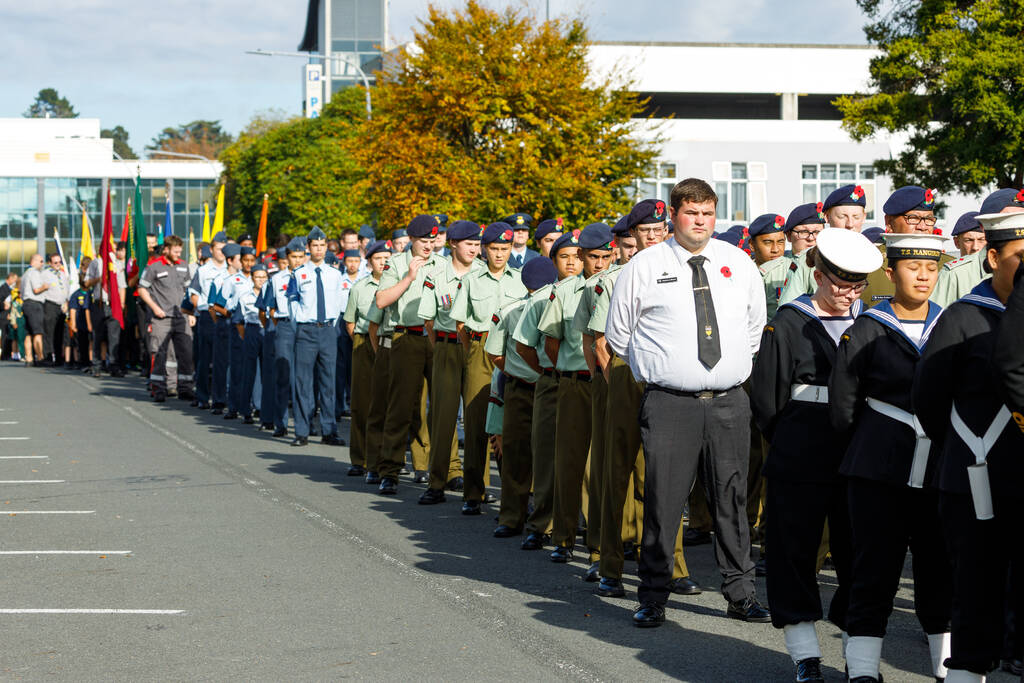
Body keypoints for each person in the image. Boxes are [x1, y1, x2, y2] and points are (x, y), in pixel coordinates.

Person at [606, 177, 770, 628]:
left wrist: (724, 370)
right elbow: (619, 335)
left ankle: (740, 594)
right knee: (663, 501)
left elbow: (754, 327)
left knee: (731, 500)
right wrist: (659, 372)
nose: (700, 222)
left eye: (708, 214)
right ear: (673, 215)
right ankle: (654, 596)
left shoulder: (738, 263)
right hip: (670, 404)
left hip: (729, 403)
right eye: (691, 213)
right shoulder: (643, 266)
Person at [751, 228, 881, 679]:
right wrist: (792, 439)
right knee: (794, 551)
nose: (848, 294)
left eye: (857, 284)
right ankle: (805, 652)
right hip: (801, 450)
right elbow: (767, 400)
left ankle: (858, 653)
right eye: (839, 283)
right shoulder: (788, 321)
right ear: (817, 274)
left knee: (859, 552)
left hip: (858, 451)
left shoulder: (871, 321)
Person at [829, 233, 952, 682]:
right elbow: (843, 405)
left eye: (932, 268)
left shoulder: (951, 323)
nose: (922, 276)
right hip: (878, 466)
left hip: (939, 465)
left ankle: (947, 667)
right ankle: (861, 668)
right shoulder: (865, 327)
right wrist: (868, 448)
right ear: (890, 270)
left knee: (939, 568)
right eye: (912, 267)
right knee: (874, 568)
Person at [913, 210, 1024, 683]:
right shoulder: (962, 317)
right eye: (1020, 256)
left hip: (1020, 477)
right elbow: (928, 399)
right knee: (975, 591)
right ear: (992, 257)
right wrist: (965, 451)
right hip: (974, 475)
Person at [539, 222, 614, 563]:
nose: (599, 264)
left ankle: (598, 544)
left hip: (605, 382)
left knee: (600, 465)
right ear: (581, 255)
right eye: (593, 257)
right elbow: (551, 340)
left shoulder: (618, 284)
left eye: (605, 256)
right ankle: (564, 537)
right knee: (568, 462)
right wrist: (570, 369)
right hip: (573, 382)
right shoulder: (565, 291)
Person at [451, 221, 528, 513]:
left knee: (509, 427)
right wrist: (474, 353)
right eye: (494, 248)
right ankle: (473, 493)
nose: (499, 254)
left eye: (505, 249)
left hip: (511, 353)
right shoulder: (471, 279)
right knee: (475, 423)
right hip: (479, 348)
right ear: (484, 249)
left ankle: (512, 496)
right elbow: (460, 323)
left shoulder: (520, 279)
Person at [513, 229, 580, 550]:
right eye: (564, 256)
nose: (572, 262)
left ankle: (586, 524)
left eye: (578, 256)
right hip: (553, 381)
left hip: (588, 382)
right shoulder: (543, 297)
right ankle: (542, 523)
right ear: (553, 261)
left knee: (588, 457)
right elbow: (524, 344)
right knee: (546, 455)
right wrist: (546, 370)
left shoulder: (598, 290)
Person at [487, 256, 558, 535]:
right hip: (529, 386)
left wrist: (518, 370)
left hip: (530, 385)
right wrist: (532, 371)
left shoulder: (512, 309)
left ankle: (532, 518)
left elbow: (494, 354)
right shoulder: (511, 310)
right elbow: (495, 353)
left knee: (538, 456)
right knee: (520, 453)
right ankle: (514, 517)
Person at [374, 215, 444, 493]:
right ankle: (389, 469)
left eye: (432, 241)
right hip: (408, 336)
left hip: (436, 338)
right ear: (411, 240)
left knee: (439, 405)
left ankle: (435, 469)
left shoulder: (443, 264)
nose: (428, 247)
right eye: (423, 242)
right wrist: (410, 277)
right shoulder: (396, 263)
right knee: (401, 406)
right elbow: (382, 300)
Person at [417, 220, 484, 504]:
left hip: (477, 348)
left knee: (477, 417)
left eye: (477, 244)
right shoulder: (436, 273)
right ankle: (437, 482)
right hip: (446, 346)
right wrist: (443, 348)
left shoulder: (483, 273)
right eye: (468, 243)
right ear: (453, 244)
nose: (474, 249)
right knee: (443, 417)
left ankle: (476, 488)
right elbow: (429, 321)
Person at [287, 227, 346, 447]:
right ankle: (301, 431)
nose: (319, 249)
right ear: (308, 248)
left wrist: (331, 326)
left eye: (322, 245)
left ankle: (329, 430)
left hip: (329, 330)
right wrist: (301, 323)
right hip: (306, 331)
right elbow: (292, 302)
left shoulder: (335, 274)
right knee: (303, 382)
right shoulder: (300, 273)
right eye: (315, 246)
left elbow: (340, 304)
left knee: (328, 382)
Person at [343, 240, 392, 475]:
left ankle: (387, 458)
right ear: (369, 261)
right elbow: (350, 322)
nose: (383, 262)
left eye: (386, 257)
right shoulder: (359, 287)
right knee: (362, 403)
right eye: (378, 258)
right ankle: (359, 458)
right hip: (364, 343)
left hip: (390, 342)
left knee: (390, 404)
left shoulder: (399, 285)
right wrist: (364, 345)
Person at [931, 188, 1023, 308]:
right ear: (984, 227)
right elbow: (935, 321)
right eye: (1010, 220)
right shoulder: (956, 275)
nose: (1018, 226)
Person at [778, 185, 867, 306]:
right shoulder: (807, 259)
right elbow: (788, 310)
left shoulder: (876, 258)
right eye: (842, 217)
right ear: (827, 217)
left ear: (864, 218)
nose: (850, 224)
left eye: (856, 217)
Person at [137, 235, 194, 402]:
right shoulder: (153, 267)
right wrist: (155, 308)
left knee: (186, 353)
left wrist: (191, 314)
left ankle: (185, 388)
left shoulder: (184, 266)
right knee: (160, 354)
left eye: (180, 251)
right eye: (175, 251)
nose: (178, 254)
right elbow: (142, 289)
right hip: (161, 319)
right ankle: (159, 388)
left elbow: (189, 292)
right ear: (166, 250)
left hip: (182, 317)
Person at [267, 239, 306, 437]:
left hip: (306, 327)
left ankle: (305, 424)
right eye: (293, 257)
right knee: (283, 376)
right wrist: (283, 326)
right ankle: (280, 423)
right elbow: (270, 308)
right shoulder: (276, 279)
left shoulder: (311, 276)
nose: (297, 261)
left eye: (301, 257)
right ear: (287, 258)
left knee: (305, 378)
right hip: (284, 326)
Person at [189, 232, 228, 409]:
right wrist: (201, 311)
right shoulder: (203, 270)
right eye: (219, 249)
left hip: (225, 317)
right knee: (204, 359)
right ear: (211, 250)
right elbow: (194, 295)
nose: (222, 253)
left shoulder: (230, 269)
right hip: (207, 317)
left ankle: (220, 398)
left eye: (224, 249)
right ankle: (202, 396)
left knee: (222, 360)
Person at [237, 263, 267, 422]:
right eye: (257, 277)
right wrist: (246, 336)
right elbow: (238, 320)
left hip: (266, 331)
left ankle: (263, 408)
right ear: (252, 278)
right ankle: (245, 409)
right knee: (249, 371)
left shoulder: (270, 294)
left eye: (264, 277)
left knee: (266, 372)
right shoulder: (245, 296)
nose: (261, 280)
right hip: (252, 331)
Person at [336, 249, 362, 420]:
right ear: (344, 262)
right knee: (340, 367)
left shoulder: (365, 278)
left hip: (359, 321)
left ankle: (356, 406)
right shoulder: (338, 279)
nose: (352, 264)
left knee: (358, 367)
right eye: (349, 261)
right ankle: (338, 407)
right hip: (341, 321)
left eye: (356, 261)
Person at [41, 252, 70, 365]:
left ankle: (58, 357)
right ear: (50, 263)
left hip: (61, 306)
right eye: (55, 262)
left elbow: (66, 289)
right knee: (49, 331)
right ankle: (48, 356)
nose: (58, 264)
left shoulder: (62, 274)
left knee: (60, 332)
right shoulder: (45, 274)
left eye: (59, 262)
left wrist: (66, 303)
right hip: (50, 304)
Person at [20, 255, 48, 366]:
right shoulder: (34, 273)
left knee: (28, 333)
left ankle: (29, 358)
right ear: (34, 261)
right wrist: (45, 287)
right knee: (38, 333)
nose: (42, 263)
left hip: (26, 304)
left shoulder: (25, 274)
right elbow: (36, 289)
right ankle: (40, 358)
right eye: (41, 261)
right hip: (34, 304)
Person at [67, 276, 92, 368]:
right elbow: (73, 309)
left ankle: (91, 361)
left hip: (91, 323)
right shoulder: (76, 294)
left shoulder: (92, 293)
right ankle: (82, 361)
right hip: (80, 323)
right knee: (81, 343)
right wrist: (73, 324)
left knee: (91, 343)